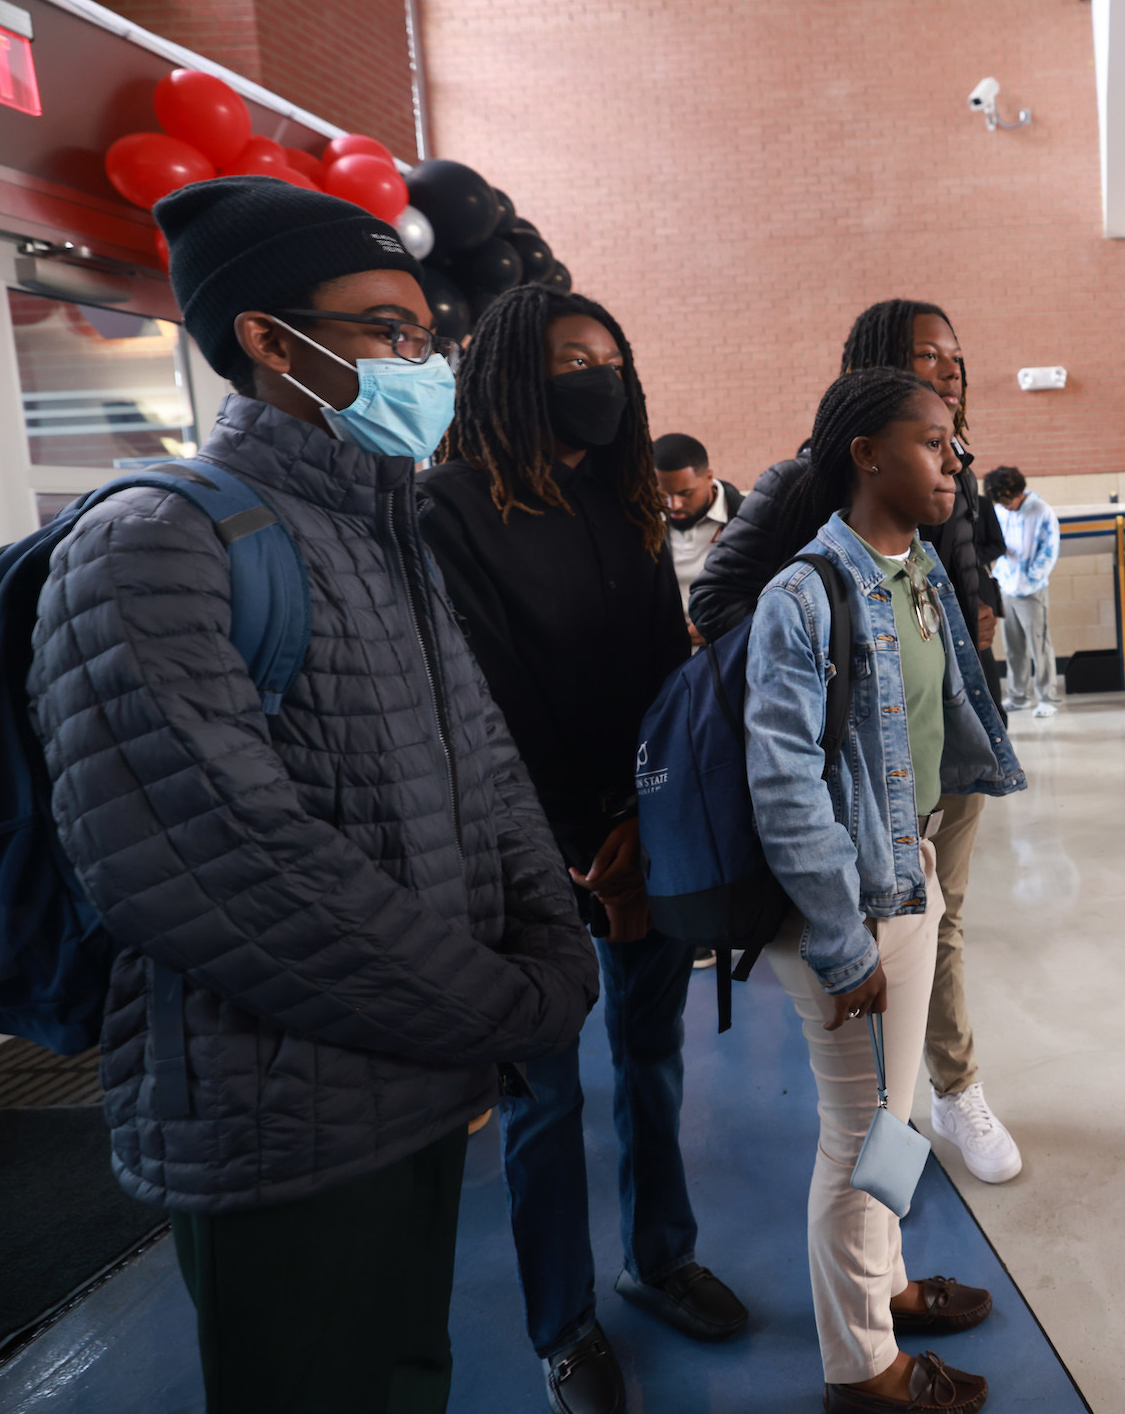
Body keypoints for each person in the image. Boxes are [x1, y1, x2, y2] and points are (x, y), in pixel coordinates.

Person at [27, 177, 598, 1413]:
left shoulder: (382, 528)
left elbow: (486, 768)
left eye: (428, 335)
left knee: (409, 1378)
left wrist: (552, 938)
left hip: (420, 1087)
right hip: (276, 1123)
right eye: (387, 332)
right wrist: (505, 1003)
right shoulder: (154, 543)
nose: (424, 360)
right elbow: (220, 868)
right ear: (270, 340)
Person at [419, 286, 743, 1414]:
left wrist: (648, 824)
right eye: (572, 358)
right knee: (545, 1097)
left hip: (642, 830)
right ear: (513, 370)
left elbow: (668, 664)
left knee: (652, 1058)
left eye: (611, 357)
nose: (598, 377)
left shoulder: (627, 496)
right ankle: (563, 1325)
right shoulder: (450, 507)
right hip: (527, 852)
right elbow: (486, 696)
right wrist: (578, 842)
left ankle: (659, 1257)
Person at [743, 367, 1026, 1414]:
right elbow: (781, 783)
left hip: (902, 872)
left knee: (895, 1120)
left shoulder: (915, 572)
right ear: (865, 451)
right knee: (863, 1137)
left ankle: (890, 1283)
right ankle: (864, 1366)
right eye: (932, 442)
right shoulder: (804, 592)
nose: (954, 461)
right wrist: (841, 937)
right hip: (850, 904)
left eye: (956, 442)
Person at [690, 301, 1023, 1187]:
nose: (951, 367)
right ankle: (922, 1124)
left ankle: (949, 1093)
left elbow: (953, 577)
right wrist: (821, 683)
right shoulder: (802, 491)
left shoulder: (952, 472)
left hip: (942, 752)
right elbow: (722, 602)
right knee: (862, 1107)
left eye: (956, 353)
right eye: (927, 355)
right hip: (860, 770)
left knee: (941, 921)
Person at [986, 464, 1060, 717]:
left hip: (1031, 590)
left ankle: (1047, 697)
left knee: (1039, 646)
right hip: (1006, 587)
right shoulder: (999, 510)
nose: (1005, 505)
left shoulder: (1042, 512)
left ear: (1019, 492)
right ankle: (1018, 695)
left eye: (1008, 500)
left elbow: (1049, 552)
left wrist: (1030, 578)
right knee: (1013, 647)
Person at [652, 431, 741, 621]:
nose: (674, 505)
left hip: (732, 643)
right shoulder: (645, 524)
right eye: (662, 495)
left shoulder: (747, 518)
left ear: (709, 477)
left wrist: (726, 623)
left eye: (686, 493)